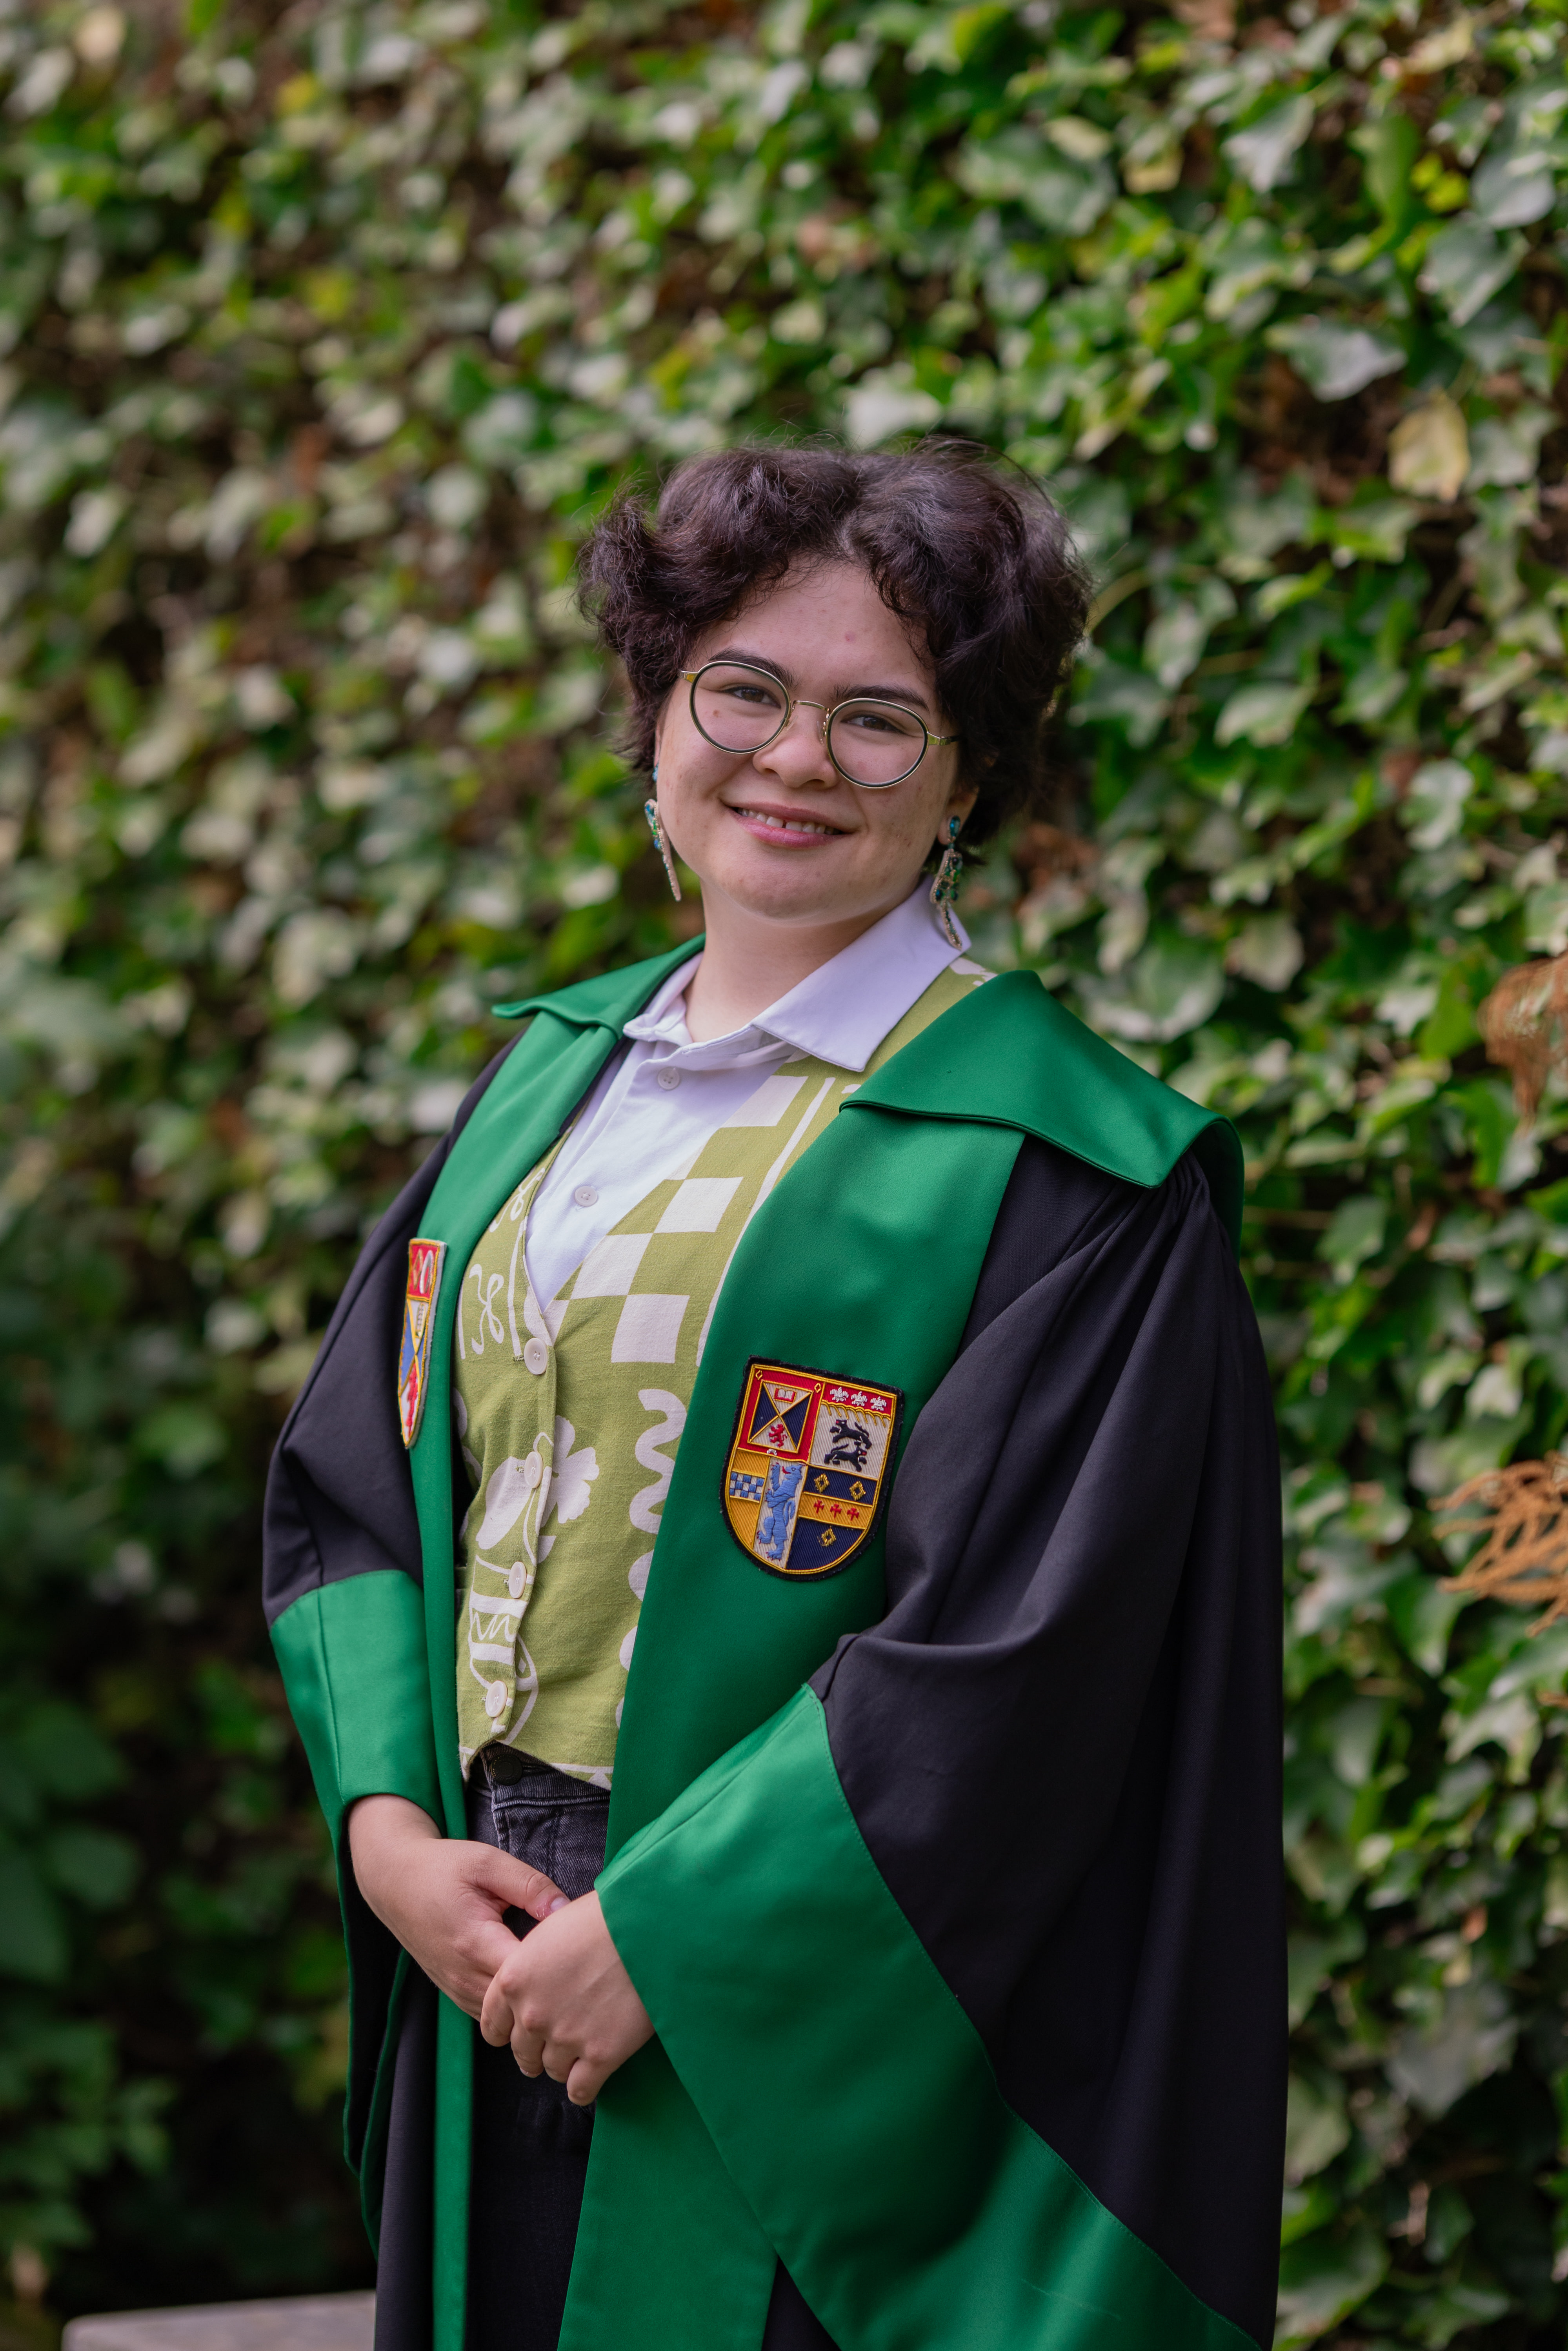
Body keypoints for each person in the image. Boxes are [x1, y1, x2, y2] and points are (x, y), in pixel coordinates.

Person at [264, 442, 1284, 2351]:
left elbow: (1017, 1652)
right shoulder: (546, 1095)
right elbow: (357, 1486)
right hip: (477, 1918)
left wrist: (673, 1932)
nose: (795, 757)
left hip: (800, 1990)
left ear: (967, 776)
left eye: (880, 718)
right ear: (659, 715)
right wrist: (389, 1831)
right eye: (742, 687)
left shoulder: (1061, 1169)